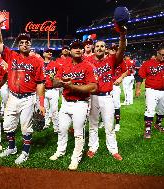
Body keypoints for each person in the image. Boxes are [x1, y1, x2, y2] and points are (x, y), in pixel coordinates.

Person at [0, 11, 45, 164]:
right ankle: (12, 147)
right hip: (12, 97)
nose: (24, 44)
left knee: (26, 127)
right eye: (21, 42)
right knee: (8, 125)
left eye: (27, 42)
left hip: (28, 99)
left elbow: (40, 83)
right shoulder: (11, 55)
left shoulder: (37, 61)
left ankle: (25, 152)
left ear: (31, 45)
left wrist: (41, 104)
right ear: (18, 44)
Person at [49, 40, 98, 170]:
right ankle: (60, 151)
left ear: (83, 51)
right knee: (62, 129)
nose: (78, 50)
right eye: (75, 48)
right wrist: (58, 80)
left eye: (80, 48)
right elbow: (54, 84)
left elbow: (93, 87)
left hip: (80, 103)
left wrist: (72, 86)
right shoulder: (64, 65)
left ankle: (76, 157)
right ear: (70, 51)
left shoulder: (87, 66)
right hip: (65, 102)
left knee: (78, 132)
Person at [87, 26, 126, 161]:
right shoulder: (88, 61)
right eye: (97, 46)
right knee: (93, 124)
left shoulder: (111, 59)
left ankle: (113, 149)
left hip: (107, 96)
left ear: (106, 48)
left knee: (109, 125)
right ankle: (92, 147)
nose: (99, 48)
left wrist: (122, 35)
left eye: (102, 46)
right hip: (92, 97)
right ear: (94, 48)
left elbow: (121, 51)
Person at [136, 44, 164, 138]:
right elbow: (140, 76)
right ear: (157, 53)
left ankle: (158, 124)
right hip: (151, 90)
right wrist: (138, 89)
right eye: (162, 54)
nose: (163, 57)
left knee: (162, 110)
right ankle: (148, 129)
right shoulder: (148, 63)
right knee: (150, 110)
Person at [109, 46, 128, 132]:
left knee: (116, 105)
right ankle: (102, 121)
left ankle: (117, 123)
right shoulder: (105, 60)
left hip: (115, 86)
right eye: (111, 49)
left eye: (114, 50)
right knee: (104, 105)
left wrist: (121, 78)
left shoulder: (121, 61)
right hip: (105, 86)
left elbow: (126, 71)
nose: (113, 51)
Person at [42, 47, 60, 132]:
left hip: (53, 90)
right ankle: (46, 123)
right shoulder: (40, 64)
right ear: (44, 53)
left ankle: (56, 127)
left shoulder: (55, 64)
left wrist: (55, 79)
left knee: (54, 110)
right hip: (43, 90)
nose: (50, 53)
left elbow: (60, 74)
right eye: (47, 52)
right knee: (45, 109)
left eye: (50, 52)